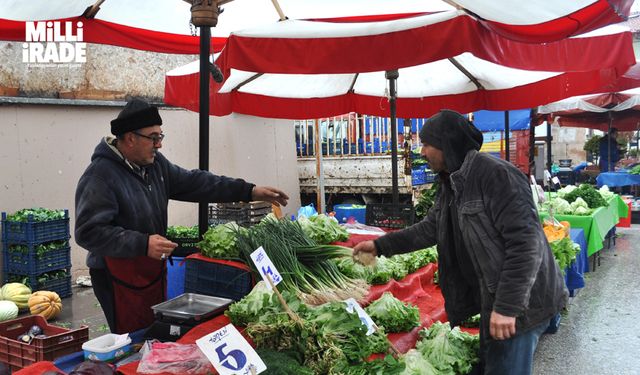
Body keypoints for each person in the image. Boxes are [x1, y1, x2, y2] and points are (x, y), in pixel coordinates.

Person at [353, 110, 567, 375]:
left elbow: (526, 245)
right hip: (494, 297)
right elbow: (431, 228)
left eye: (427, 144)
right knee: (491, 366)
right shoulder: (451, 182)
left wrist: (507, 307)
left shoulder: (496, 176)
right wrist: (380, 246)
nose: (422, 151)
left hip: (523, 302)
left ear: (447, 145)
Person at [75, 99, 289, 334]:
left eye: (160, 137)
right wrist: (142, 243)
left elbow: (197, 182)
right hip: (116, 276)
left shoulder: (155, 166)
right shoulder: (100, 175)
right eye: (153, 138)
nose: (159, 145)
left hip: (149, 271)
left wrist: (248, 191)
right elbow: (88, 232)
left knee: (153, 332)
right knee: (131, 339)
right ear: (130, 138)